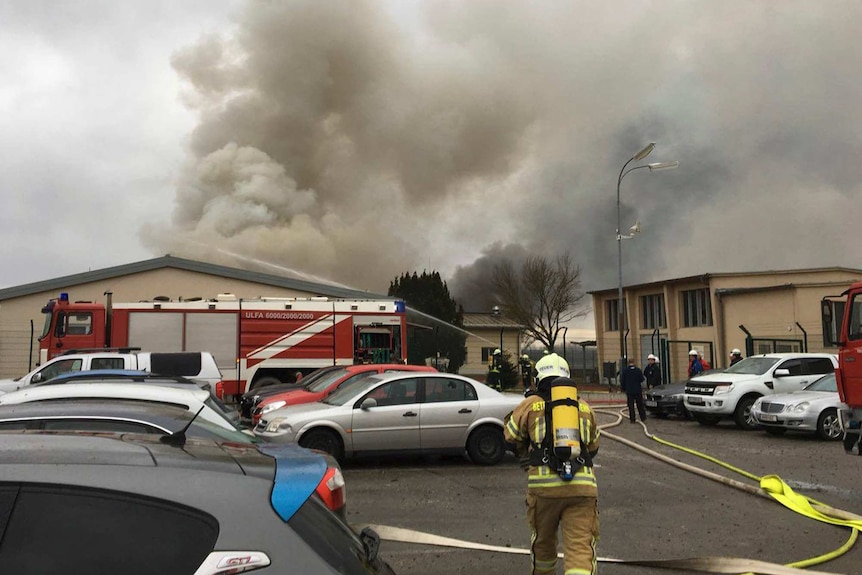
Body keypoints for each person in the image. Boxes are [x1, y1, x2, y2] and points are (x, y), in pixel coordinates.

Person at [504, 353, 600, 575]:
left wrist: (527, 451)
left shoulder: (531, 404)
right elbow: (593, 448)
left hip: (544, 490)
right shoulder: (583, 407)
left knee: (544, 547)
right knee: (580, 550)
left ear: (538, 379)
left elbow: (510, 436)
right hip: (582, 487)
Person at [620, 358, 647, 423]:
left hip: (629, 390)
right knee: (640, 405)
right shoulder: (638, 370)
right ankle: (643, 417)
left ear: (628, 363)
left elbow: (622, 381)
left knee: (631, 406)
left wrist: (623, 389)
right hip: (637, 390)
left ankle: (632, 419)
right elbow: (642, 379)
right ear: (634, 362)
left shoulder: (625, 371)